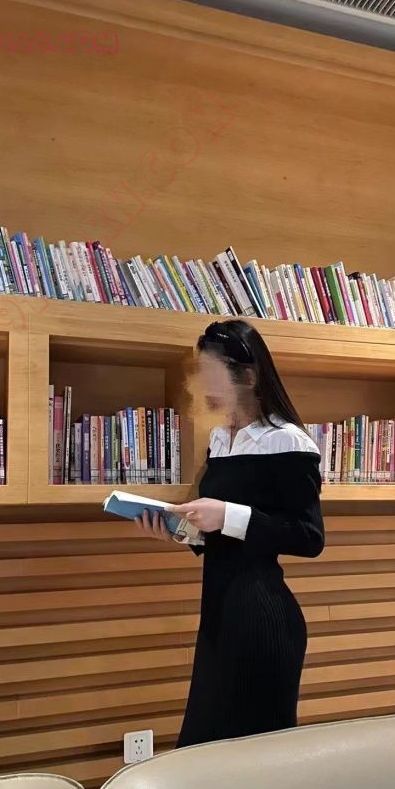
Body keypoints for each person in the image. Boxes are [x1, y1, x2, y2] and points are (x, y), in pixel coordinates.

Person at [135, 319, 324, 747]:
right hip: (219, 617)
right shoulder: (220, 440)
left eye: (211, 373)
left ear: (249, 378)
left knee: (256, 758)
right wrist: (181, 532)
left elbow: (309, 536)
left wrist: (227, 515)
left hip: (262, 618)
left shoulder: (288, 441)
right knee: (203, 751)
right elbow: (219, 535)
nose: (201, 383)